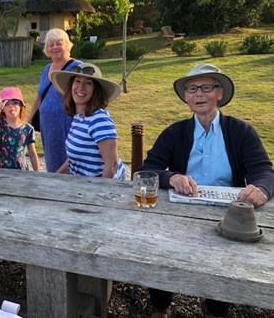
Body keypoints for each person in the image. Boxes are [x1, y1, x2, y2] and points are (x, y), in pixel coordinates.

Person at [139, 63, 274, 318]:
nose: (199, 94)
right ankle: (161, 306)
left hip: (227, 213)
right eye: (192, 89)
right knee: (161, 252)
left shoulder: (241, 131)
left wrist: (262, 189)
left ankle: (214, 309)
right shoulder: (174, 132)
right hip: (180, 211)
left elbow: (264, 170)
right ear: (186, 97)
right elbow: (148, 170)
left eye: (206, 87)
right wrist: (172, 177)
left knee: (223, 264)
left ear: (219, 93)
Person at [50, 63, 125, 179]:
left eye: (88, 83)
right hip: (79, 186)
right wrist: (53, 178)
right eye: (77, 81)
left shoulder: (99, 120)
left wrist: (99, 193)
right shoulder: (79, 117)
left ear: (96, 90)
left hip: (96, 191)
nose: (81, 87)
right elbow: (73, 159)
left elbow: (112, 165)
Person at [27, 28, 81, 172]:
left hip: (68, 122)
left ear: (67, 45)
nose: (55, 47)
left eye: (59, 43)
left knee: (69, 159)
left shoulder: (77, 67)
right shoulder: (46, 68)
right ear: (47, 49)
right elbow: (39, 95)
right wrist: (31, 118)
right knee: (52, 159)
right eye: (51, 44)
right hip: (48, 125)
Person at [0, 87, 40, 171]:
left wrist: (37, 173)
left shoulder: (28, 128)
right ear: (3, 109)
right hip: (1, 170)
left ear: (21, 105)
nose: (11, 106)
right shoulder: (0, 124)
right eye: (6, 104)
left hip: (21, 170)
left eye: (15, 102)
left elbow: (32, 153)